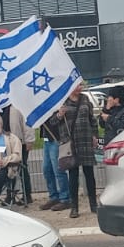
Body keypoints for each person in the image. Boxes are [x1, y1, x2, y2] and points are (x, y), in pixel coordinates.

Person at [60, 84, 100, 219]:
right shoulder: (63, 102)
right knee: (73, 175)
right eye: (78, 85)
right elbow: (54, 122)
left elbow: (92, 119)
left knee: (89, 174)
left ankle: (93, 204)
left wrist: (95, 135)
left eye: (81, 85)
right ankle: (74, 207)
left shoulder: (85, 99)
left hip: (86, 140)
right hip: (71, 142)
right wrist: (59, 115)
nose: (80, 87)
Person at [4, 105, 36, 206]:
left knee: (22, 168)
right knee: (8, 168)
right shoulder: (1, 106)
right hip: (5, 142)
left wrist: (29, 139)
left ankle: (27, 194)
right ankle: (10, 194)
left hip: (19, 142)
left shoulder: (17, 104)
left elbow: (27, 122)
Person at [40, 112, 71, 211]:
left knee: (58, 170)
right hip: (47, 138)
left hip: (56, 138)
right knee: (47, 170)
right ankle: (53, 196)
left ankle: (65, 198)